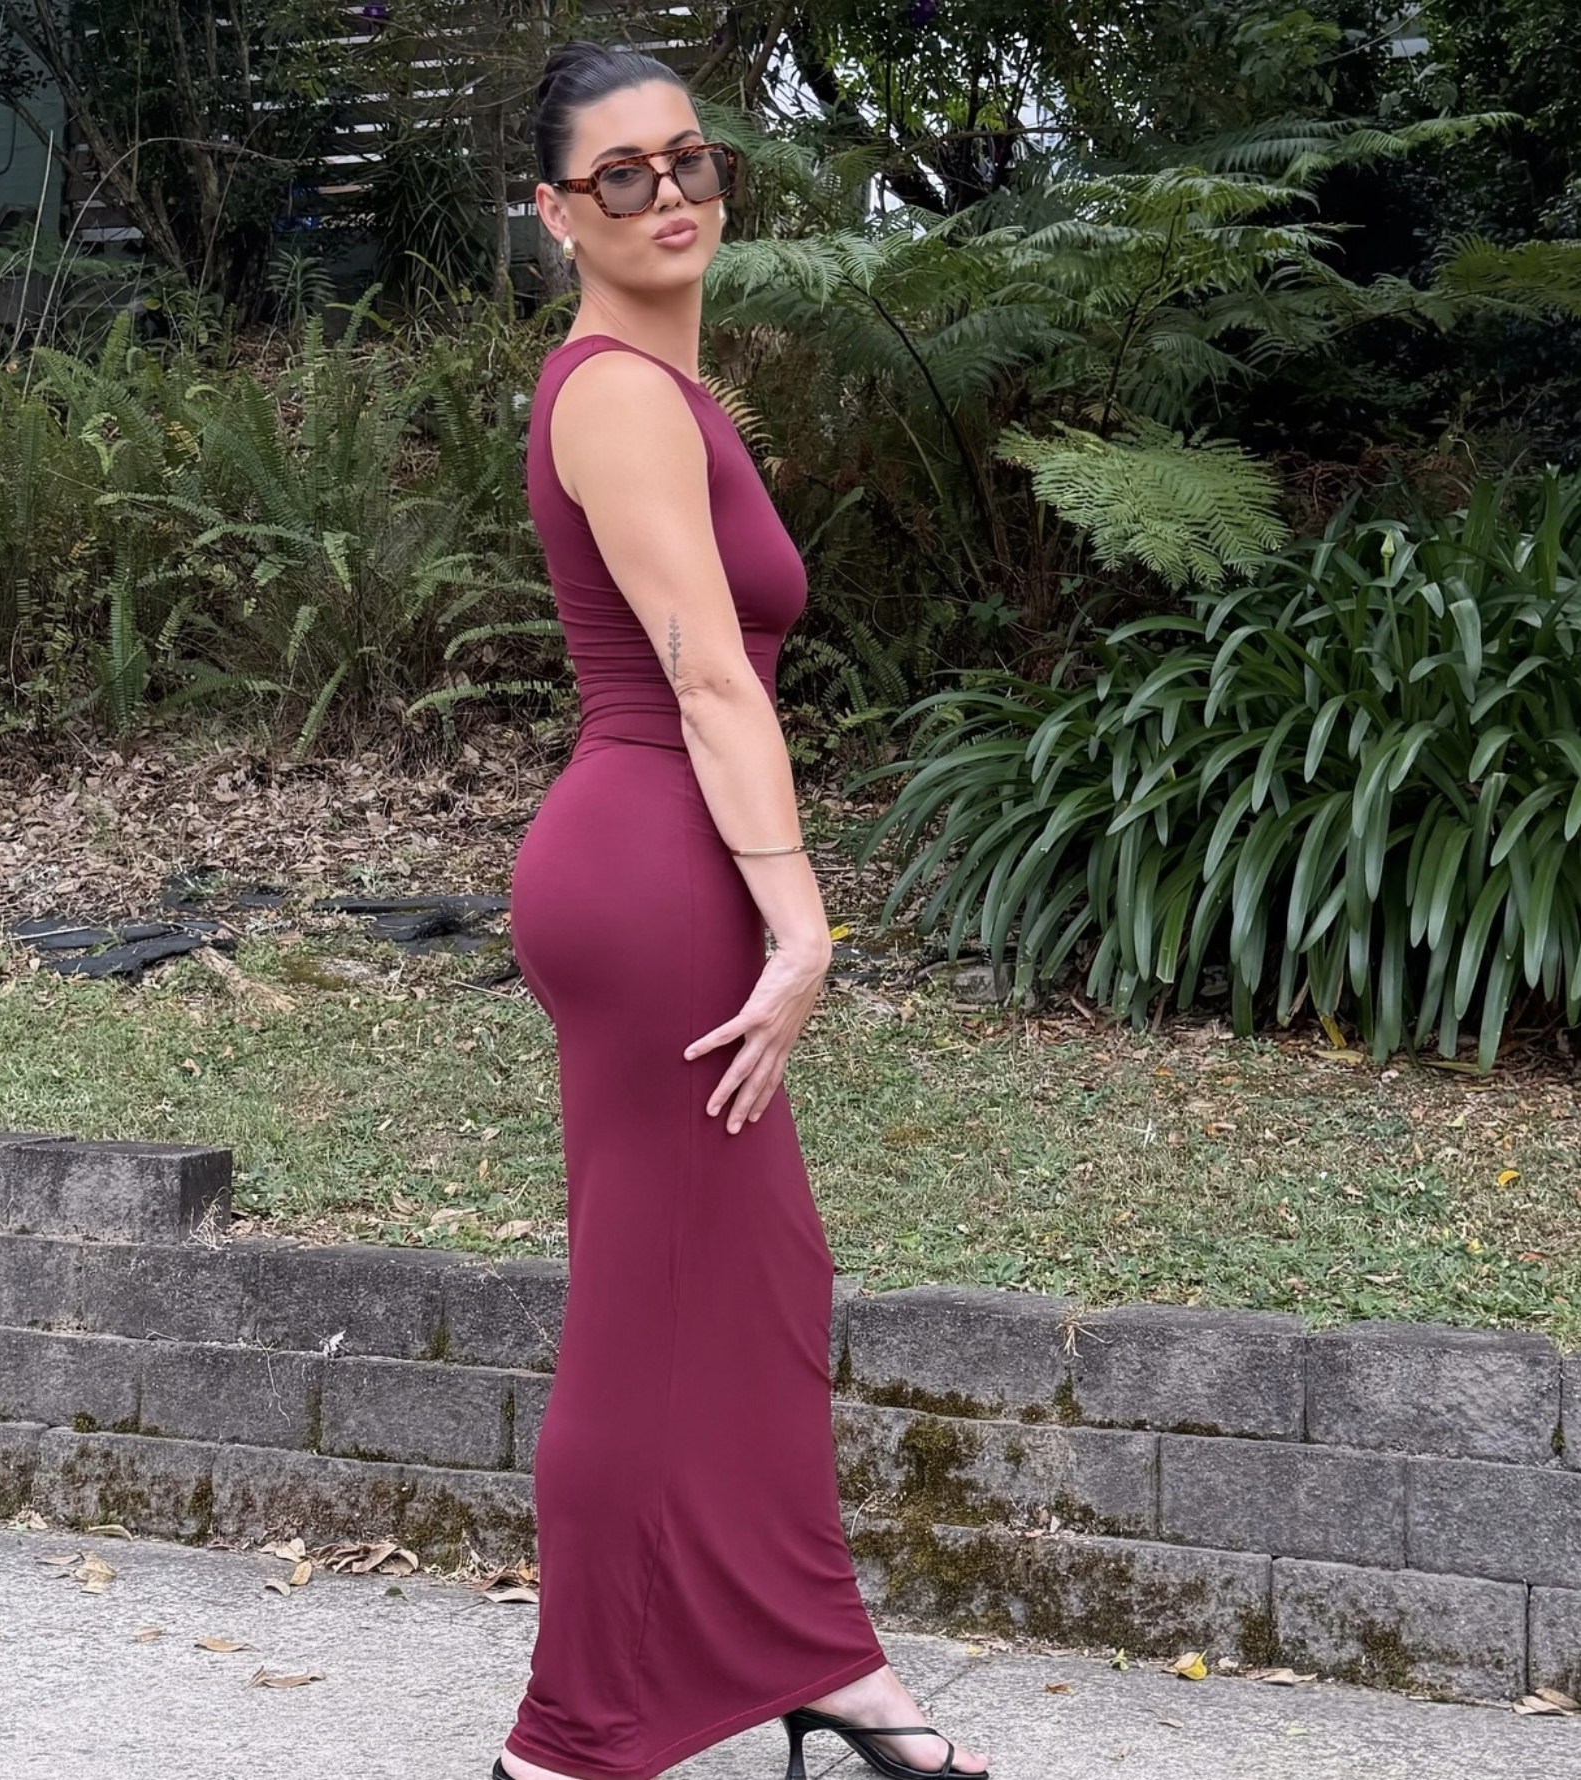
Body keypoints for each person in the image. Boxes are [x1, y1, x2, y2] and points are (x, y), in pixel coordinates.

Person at [499, 38, 992, 1780]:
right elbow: (712, 675)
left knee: (764, 1277)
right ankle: (566, 1739)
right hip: (656, 873)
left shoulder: (659, 383)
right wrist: (803, 926)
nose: (667, 195)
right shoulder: (617, 393)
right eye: (618, 176)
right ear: (558, 214)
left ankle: (816, 1653)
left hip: (661, 857)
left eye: (688, 159)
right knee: (650, 1303)